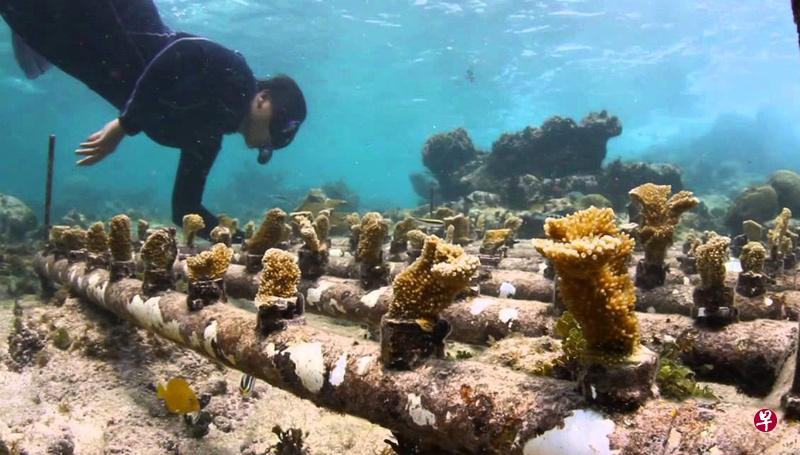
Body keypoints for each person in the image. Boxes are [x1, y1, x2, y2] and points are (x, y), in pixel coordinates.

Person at [0, 0, 307, 238]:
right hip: (108, 17)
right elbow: (180, 51)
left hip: (73, 40)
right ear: (264, 99)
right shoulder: (236, 76)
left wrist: (241, 241)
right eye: (283, 128)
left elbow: (185, 210)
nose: (274, 142)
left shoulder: (207, 138)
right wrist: (124, 125)